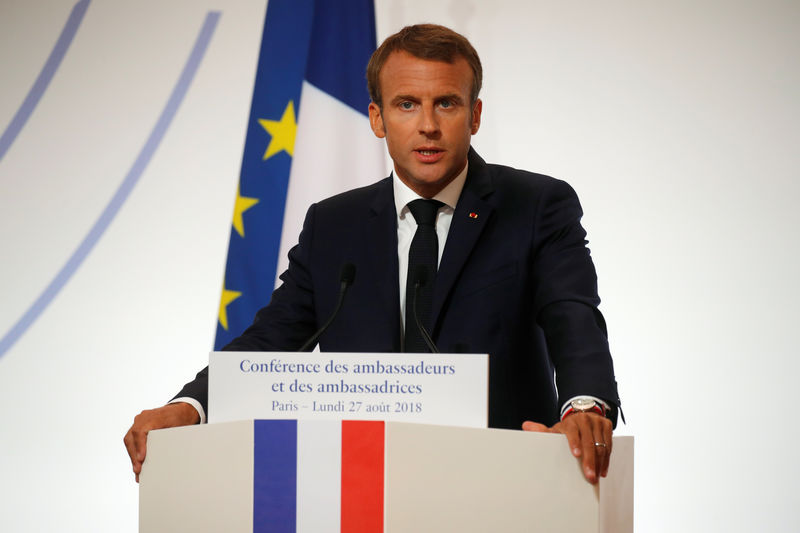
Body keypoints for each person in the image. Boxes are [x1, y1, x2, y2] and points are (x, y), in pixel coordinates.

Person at [124, 24, 621, 485]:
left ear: (475, 115)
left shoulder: (536, 206)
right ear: (377, 119)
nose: (427, 125)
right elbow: (272, 337)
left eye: (446, 103)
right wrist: (191, 405)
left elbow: (572, 315)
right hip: (362, 483)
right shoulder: (333, 224)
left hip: (501, 482)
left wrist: (584, 407)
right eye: (407, 104)